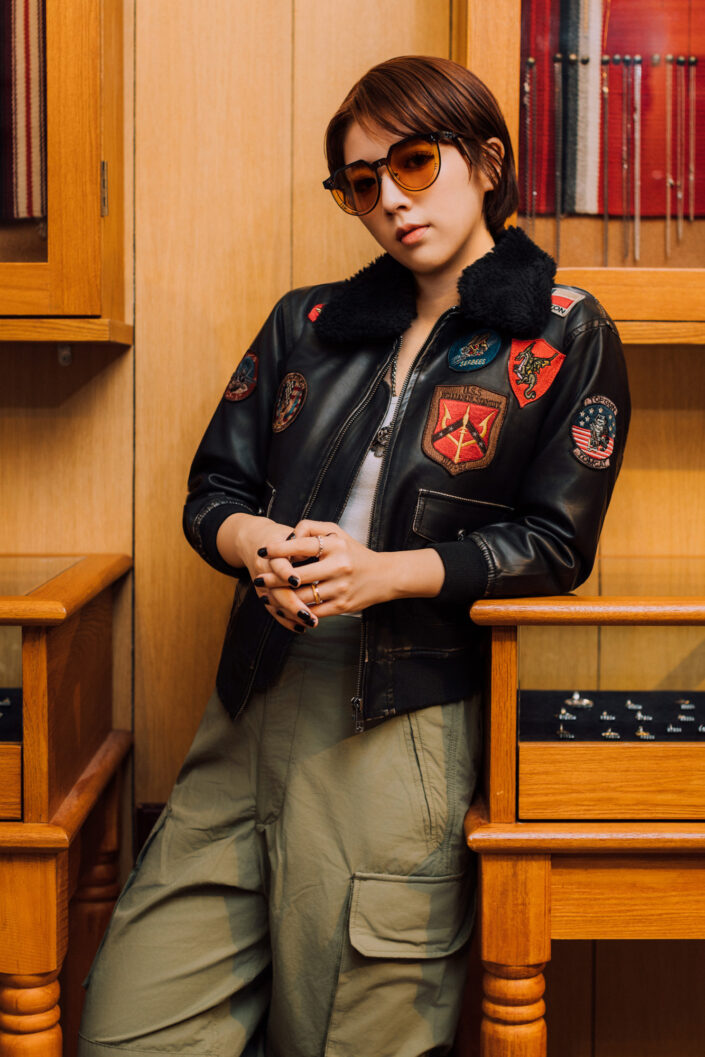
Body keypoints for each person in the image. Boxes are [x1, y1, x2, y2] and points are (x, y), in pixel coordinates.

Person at [78, 55, 630, 1057]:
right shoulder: (309, 322)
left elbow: (556, 543)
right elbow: (214, 494)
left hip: (401, 721)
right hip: (251, 695)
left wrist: (385, 573)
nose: (391, 201)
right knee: (130, 1029)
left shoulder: (563, 331)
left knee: (349, 1036)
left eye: (413, 163)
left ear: (487, 161)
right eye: (362, 183)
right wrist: (258, 546)